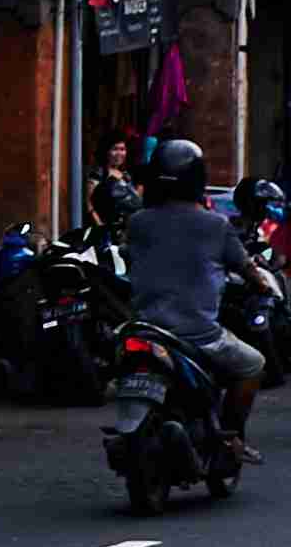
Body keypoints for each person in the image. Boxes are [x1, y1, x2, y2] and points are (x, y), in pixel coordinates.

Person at [111, 133, 269, 446]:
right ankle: (231, 439)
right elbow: (248, 270)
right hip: (199, 336)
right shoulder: (216, 225)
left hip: (145, 332)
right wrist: (262, 285)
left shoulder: (138, 222)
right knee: (254, 365)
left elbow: (128, 256)